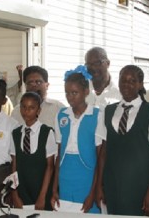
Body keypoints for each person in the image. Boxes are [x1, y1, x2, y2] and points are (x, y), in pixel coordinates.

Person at [96, 65, 149, 216]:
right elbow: (103, 153)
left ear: (140, 84)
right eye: (123, 80)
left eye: (132, 80)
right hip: (112, 186)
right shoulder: (108, 111)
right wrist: (99, 186)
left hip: (139, 187)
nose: (126, 84)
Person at [51, 65, 101, 213]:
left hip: (87, 176)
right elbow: (59, 154)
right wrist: (54, 188)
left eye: (74, 92)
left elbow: (100, 158)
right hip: (65, 176)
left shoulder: (97, 115)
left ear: (86, 92)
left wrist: (93, 193)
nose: (70, 97)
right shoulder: (61, 115)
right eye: (67, 93)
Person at [11, 92, 57, 210]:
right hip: (22, 192)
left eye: (32, 108)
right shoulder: (15, 134)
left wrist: (42, 196)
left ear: (38, 110)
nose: (27, 111)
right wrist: (14, 194)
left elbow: (50, 167)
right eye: (24, 107)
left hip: (41, 191)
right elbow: (14, 166)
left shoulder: (47, 133)